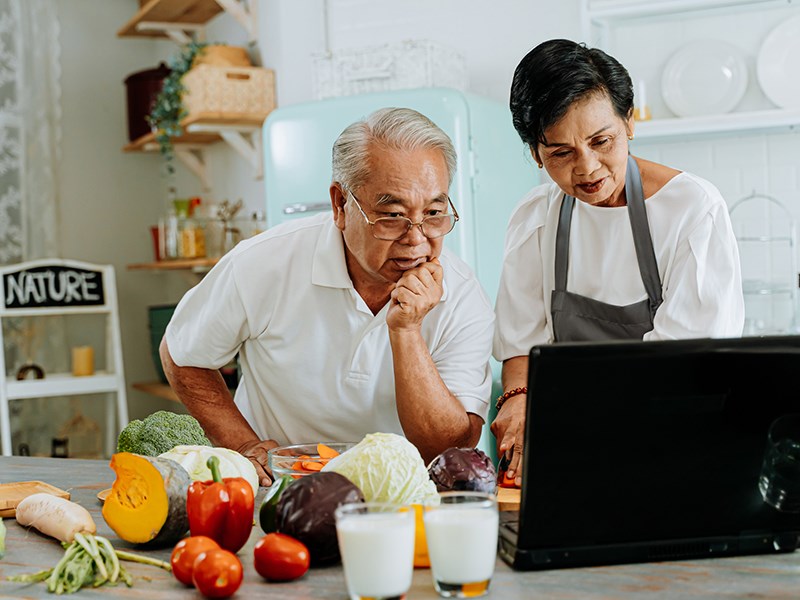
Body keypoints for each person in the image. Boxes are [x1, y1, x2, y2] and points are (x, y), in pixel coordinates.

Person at [161, 107, 494, 486]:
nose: (417, 239)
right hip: (281, 488)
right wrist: (244, 445)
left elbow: (448, 447)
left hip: (396, 497)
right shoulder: (264, 262)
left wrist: (407, 330)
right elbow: (181, 354)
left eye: (434, 213)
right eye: (392, 215)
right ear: (340, 205)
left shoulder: (464, 296)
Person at [492, 39, 745, 484]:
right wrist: (518, 398)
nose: (588, 168)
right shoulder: (535, 218)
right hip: (573, 442)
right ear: (536, 153)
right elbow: (521, 347)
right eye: (561, 153)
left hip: (675, 438)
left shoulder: (692, 209)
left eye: (600, 141)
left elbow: (683, 365)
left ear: (629, 122)